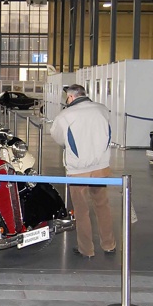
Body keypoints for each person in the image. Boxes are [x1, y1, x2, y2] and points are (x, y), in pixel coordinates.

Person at [49, 83, 116, 259]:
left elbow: (58, 138)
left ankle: (87, 250)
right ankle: (109, 244)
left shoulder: (66, 115)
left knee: (81, 210)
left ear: (71, 97)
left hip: (78, 169)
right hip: (101, 166)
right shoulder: (102, 110)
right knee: (102, 205)